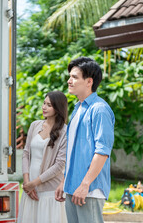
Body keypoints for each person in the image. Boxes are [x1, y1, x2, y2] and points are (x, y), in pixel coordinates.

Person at [55, 57, 115, 223]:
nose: (69, 80)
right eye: (70, 76)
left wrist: (85, 184)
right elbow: (72, 151)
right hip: (73, 188)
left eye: (74, 77)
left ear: (89, 81)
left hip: (89, 190)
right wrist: (64, 182)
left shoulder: (99, 110)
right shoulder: (77, 109)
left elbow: (102, 152)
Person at [18, 91, 68, 223]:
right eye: (44, 103)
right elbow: (26, 154)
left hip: (49, 192)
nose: (44, 107)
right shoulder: (35, 125)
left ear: (58, 108)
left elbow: (59, 165)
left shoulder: (65, 132)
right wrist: (26, 182)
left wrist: (33, 184)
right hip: (30, 190)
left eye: (49, 105)